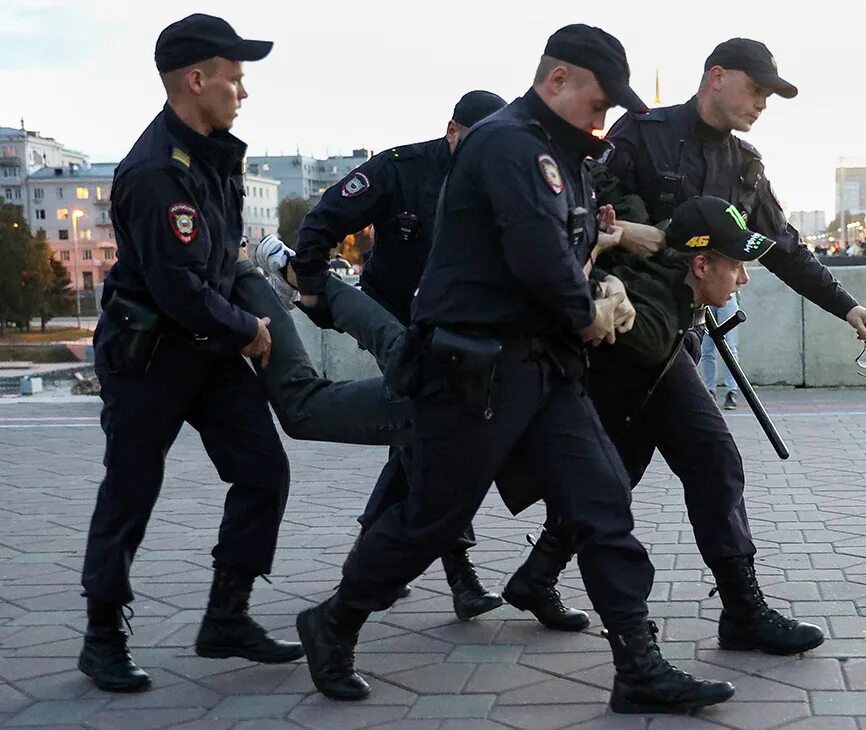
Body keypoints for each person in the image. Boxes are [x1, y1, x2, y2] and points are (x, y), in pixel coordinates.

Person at [292, 24, 735, 714]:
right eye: (596, 102)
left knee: (602, 501)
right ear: (556, 79)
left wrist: (599, 261)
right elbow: (537, 253)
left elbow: (571, 240)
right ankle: (335, 621)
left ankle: (638, 666)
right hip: (474, 370)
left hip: (541, 367)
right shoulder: (509, 142)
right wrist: (589, 309)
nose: (603, 118)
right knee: (429, 520)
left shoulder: (558, 153)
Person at [513, 36, 866, 658]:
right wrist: (625, 250)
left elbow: (779, 246)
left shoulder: (744, 164)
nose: (763, 102)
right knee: (712, 460)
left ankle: (537, 576)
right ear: (717, 77)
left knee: (617, 472)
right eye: (757, 88)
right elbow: (583, 211)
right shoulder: (642, 133)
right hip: (619, 329)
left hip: (672, 337)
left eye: (771, 94)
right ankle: (740, 613)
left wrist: (845, 305)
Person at [78, 14, 302, 693]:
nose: (243, 92)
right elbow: (177, 286)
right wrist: (249, 330)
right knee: (131, 493)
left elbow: (219, 259)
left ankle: (226, 615)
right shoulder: (154, 172)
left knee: (264, 472)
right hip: (148, 353)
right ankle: (101, 634)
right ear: (195, 80)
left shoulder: (212, 154)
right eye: (234, 79)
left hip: (205, 349)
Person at [279, 89, 509, 621]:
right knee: (435, 434)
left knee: (421, 434)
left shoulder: (501, 176)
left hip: (457, 327)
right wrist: (313, 288)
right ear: (453, 132)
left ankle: (372, 559)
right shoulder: (399, 169)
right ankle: (458, 575)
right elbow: (323, 219)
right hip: (396, 322)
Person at [699, 292, 741, 409]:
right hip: (706, 299)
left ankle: (731, 391)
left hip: (727, 296)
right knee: (706, 349)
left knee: (730, 347)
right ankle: (709, 390)